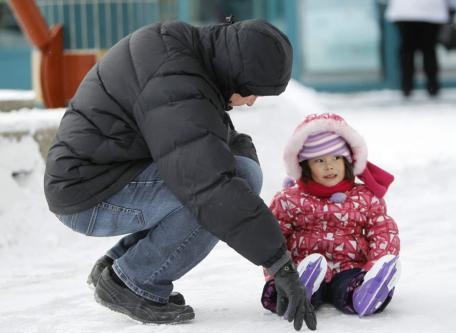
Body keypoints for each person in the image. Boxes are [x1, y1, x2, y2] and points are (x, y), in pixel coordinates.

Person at [44, 18, 316, 331]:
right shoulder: (176, 78)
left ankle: (121, 263)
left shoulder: (186, 54)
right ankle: (131, 280)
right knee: (215, 192)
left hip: (102, 173)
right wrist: (280, 264)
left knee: (238, 174)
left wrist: (240, 157)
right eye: (252, 91)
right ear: (237, 74)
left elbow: (208, 140)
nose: (251, 101)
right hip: (89, 192)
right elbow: (209, 186)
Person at [261, 113, 401, 317]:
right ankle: (300, 292)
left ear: (348, 162)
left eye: (336, 158)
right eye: (319, 160)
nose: (329, 166)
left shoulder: (364, 197)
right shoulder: (289, 200)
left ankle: (366, 294)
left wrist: (373, 266)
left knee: (348, 287)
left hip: (349, 267)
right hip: (304, 265)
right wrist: (279, 273)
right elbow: (274, 238)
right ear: (305, 166)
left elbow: (382, 231)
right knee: (295, 284)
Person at [386, 0, 456, 97]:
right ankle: (432, 86)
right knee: (428, 50)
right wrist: (452, 7)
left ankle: (407, 86)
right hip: (431, 12)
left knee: (408, 50)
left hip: (404, 12)